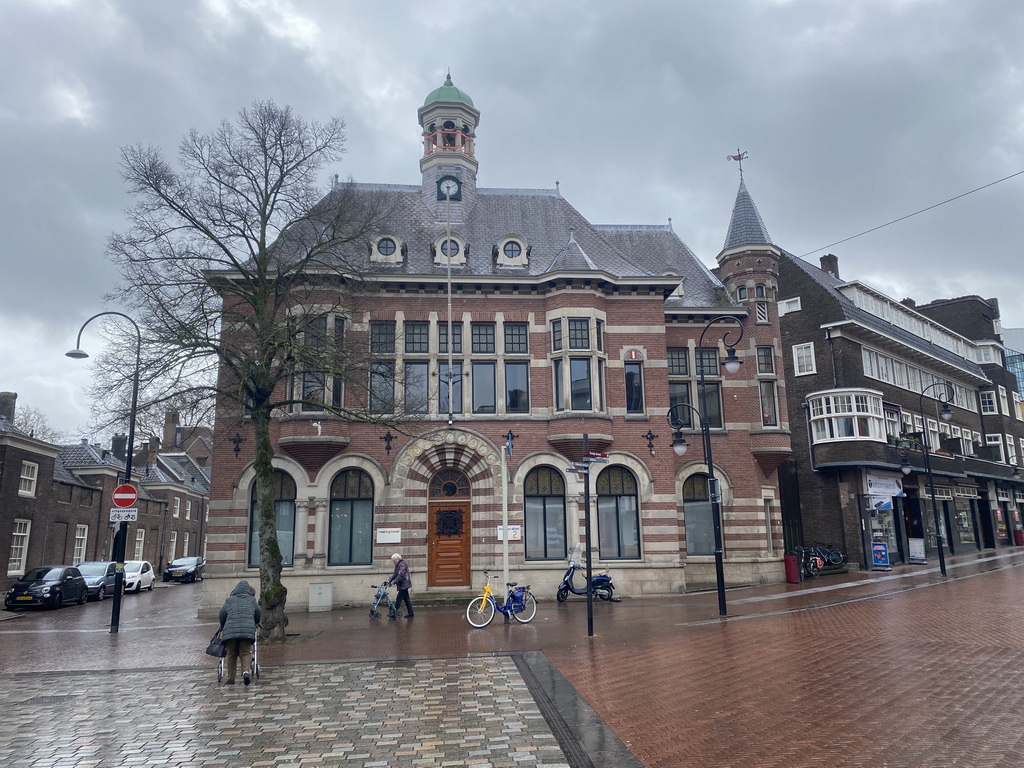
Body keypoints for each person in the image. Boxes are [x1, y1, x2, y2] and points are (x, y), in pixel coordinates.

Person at [219, 580, 261, 685]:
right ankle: (246, 672)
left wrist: (223, 625)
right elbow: (258, 611)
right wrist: (256, 622)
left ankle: (231, 678)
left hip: (230, 631)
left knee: (231, 654)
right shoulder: (252, 600)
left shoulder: (229, 600)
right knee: (245, 652)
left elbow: (222, 614)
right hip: (247, 630)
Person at [387, 552, 414, 618]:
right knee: (406, 600)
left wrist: (393, 582)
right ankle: (411, 613)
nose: (393, 562)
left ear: (397, 559)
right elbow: (395, 574)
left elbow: (400, 575)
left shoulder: (402, 565)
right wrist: (389, 580)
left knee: (398, 599)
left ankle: (394, 613)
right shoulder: (398, 565)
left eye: (393, 561)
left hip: (404, 585)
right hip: (403, 585)